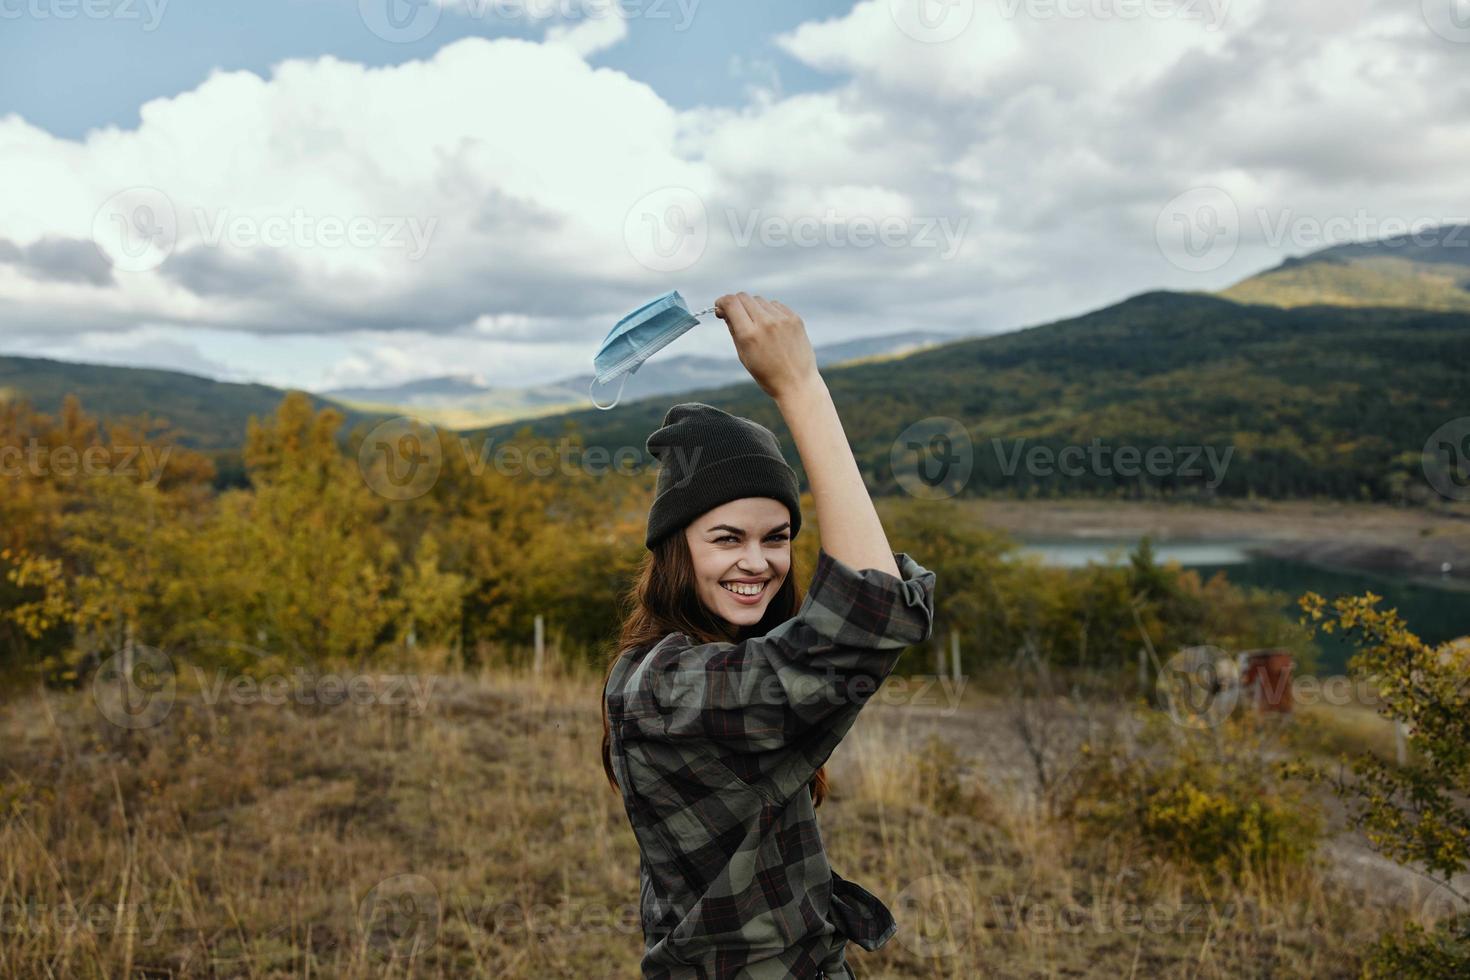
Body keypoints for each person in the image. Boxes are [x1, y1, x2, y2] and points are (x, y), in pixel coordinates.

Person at [600, 292, 938, 979]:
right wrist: (801, 386)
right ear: (675, 548)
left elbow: (867, 613)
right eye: (727, 539)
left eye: (777, 538)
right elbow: (870, 617)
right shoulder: (661, 690)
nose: (757, 562)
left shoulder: (715, 663)